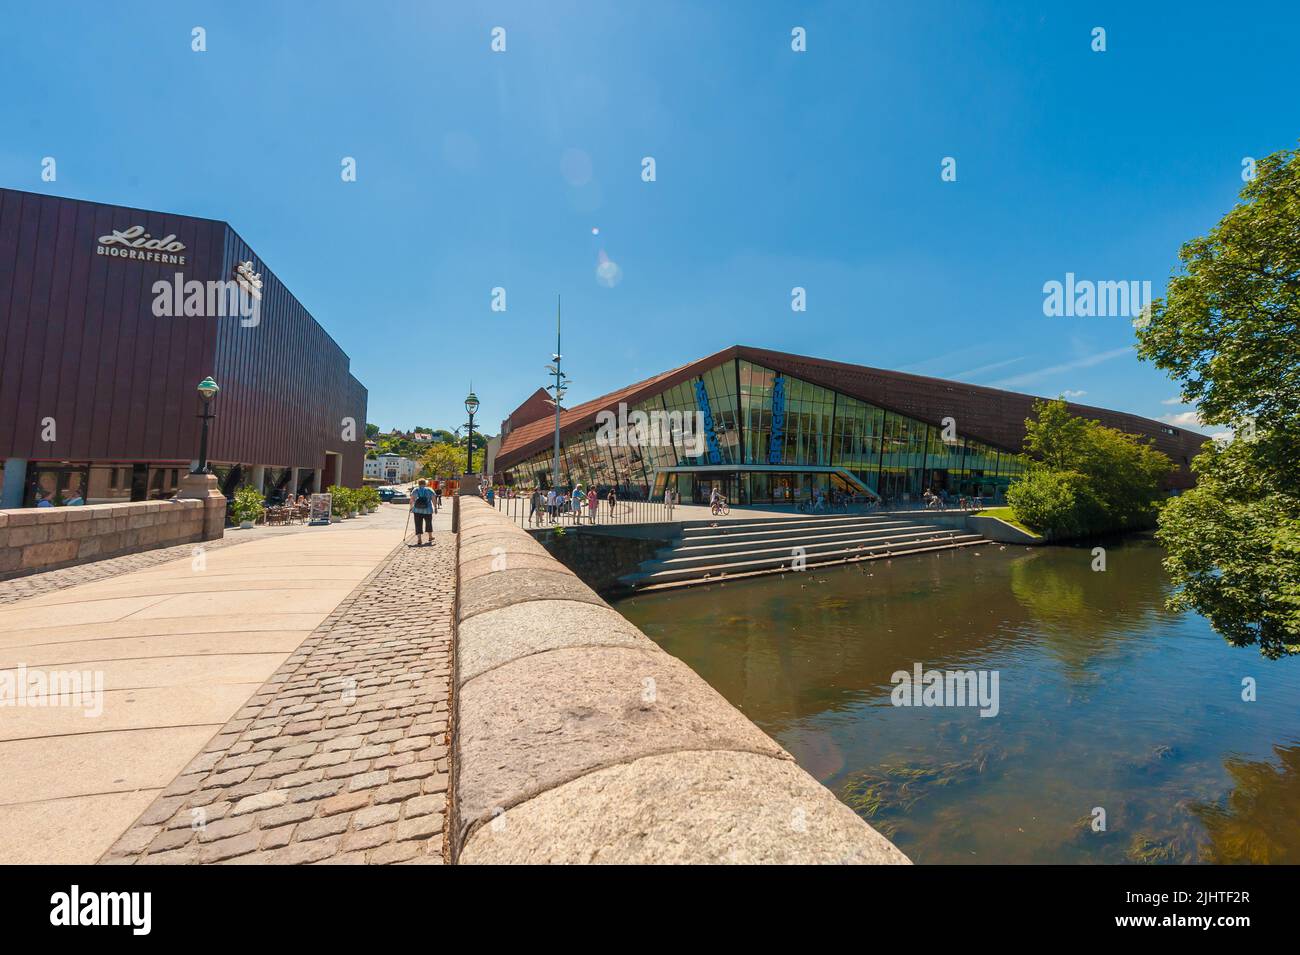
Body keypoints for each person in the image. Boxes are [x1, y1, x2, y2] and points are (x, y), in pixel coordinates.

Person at [410, 478, 436, 547]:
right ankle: (430, 537)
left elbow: (412, 499)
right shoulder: (430, 490)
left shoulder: (415, 490)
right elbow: (433, 499)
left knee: (418, 524)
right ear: (425, 483)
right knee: (428, 523)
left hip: (417, 510)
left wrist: (411, 507)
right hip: (428, 510)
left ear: (418, 483)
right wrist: (435, 507)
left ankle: (419, 539)